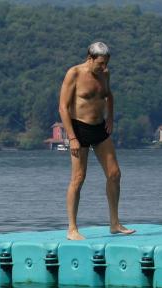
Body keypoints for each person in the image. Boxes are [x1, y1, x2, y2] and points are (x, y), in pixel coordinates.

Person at [59, 41, 135, 240]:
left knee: (115, 174)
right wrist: (72, 137)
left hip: (99, 127)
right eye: (100, 63)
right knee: (78, 178)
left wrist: (110, 117)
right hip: (79, 128)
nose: (104, 67)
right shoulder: (73, 73)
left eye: (106, 63)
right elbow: (63, 108)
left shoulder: (105, 74)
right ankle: (72, 229)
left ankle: (114, 223)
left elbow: (109, 95)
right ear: (90, 58)